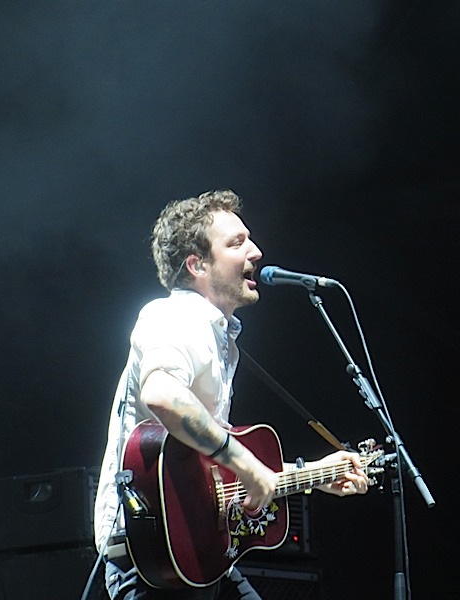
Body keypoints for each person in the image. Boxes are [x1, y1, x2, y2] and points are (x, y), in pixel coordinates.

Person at [93, 189, 369, 599]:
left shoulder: (220, 339)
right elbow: (163, 395)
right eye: (237, 243)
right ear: (197, 263)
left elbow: (214, 477)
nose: (256, 252)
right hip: (156, 561)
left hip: (197, 554)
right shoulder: (175, 315)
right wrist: (245, 463)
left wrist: (314, 475)